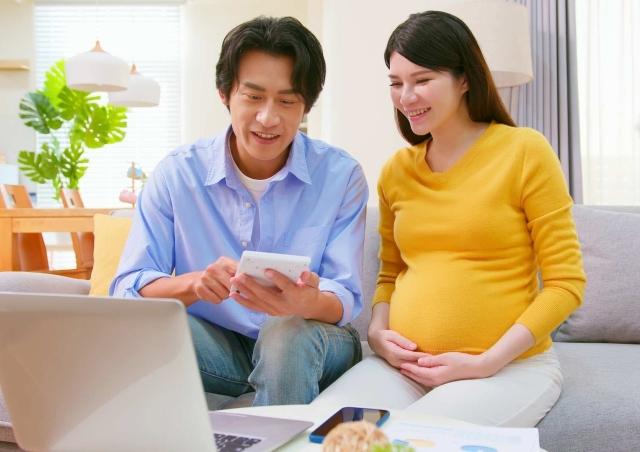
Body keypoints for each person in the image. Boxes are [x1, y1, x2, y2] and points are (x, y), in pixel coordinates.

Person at [314, 11, 585, 427]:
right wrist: (377, 334)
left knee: (418, 440)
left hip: (505, 369)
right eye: (396, 82)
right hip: (403, 369)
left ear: (465, 79)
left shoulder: (525, 151)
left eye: (422, 80)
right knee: (325, 433)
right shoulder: (396, 171)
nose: (406, 96)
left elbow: (566, 285)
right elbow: (391, 273)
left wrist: (485, 362)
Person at [110, 16, 367, 406]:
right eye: (253, 96)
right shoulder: (179, 173)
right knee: (135, 331)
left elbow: (344, 295)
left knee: (285, 334)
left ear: (306, 106)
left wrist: (305, 303)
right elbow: (130, 287)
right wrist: (194, 284)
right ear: (225, 93)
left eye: (287, 100)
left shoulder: (341, 175)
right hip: (220, 345)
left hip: (313, 337)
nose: (268, 118)